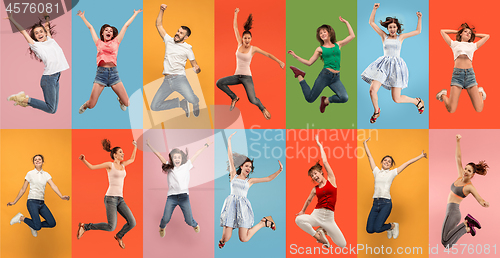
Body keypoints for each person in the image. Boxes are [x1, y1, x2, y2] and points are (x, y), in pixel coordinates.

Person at [216, 8, 285, 120]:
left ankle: (263, 108)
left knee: (252, 99)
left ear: (251, 39)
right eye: (245, 38)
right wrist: (235, 14)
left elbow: (267, 54)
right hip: (236, 76)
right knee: (219, 83)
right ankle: (234, 97)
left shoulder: (253, 49)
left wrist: (279, 61)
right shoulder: (239, 44)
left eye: (249, 38)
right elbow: (235, 27)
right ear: (242, 39)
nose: (247, 40)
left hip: (247, 77)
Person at [361, 3, 424, 123]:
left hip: (396, 68)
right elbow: (371, 23)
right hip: (383, 66)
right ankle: (376, 111)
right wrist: (374, 9)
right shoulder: (383, 36)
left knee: (397, 99)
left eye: (394, 27)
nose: (392, 29)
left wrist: (419, 18)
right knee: (372, 90)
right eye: (390, 27)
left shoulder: (401, 38)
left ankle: (417, 101)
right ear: (387, 28)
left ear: (397, 28)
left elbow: (418, 31)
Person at [218, 131, 283, 248]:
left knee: (244, 238)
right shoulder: (233, 175)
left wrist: (279, 171)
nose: (249, 168)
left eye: (250, 167)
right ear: (241, 166)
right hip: (231, 206)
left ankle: (264, 222)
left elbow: (268, 178)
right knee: (226, 238)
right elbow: (230, 157)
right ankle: (222, 241)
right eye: (247, 165)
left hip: (242, 208)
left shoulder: (250, 181)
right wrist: (229, 140)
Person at [76, 9, 142, 114]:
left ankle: (120, 100)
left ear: (112, 35)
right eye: (106, 30)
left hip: (114, 74)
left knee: (127, 103)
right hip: (101, 74)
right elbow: (90, 27)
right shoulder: (98, 42)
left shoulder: (116, 41)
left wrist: (135, 14)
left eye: (111, 31)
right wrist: (82, 17)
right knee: (92, 105)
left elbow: (125, 26)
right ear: (102, 33)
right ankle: (85, 105)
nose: (109, 32)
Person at [76, 139, 137, 249]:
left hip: (120, 199)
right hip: (110, 199)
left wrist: (135, 146)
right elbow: (92, 167)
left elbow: (132, 159)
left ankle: (119, 236)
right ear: (115, 155)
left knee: (132, 222)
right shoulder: (110, 165)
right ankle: (85, 226)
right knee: (111, 227)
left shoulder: (123, 165)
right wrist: (84, 160)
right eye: (120, 152)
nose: (123, 154)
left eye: (123, 152)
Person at [288, 16, 355, 113]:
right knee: (310, 98)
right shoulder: (320, 49)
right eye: (320, 33)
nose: (322, 34)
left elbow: (352, 36)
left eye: (324, 32)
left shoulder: (338, 44)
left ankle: (325, 100)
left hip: (336, 78)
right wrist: (296, 56)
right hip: (325, 76)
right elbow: (309, 62)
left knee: (344, 97)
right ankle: (299, 75)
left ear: (329, 33)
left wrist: (346, 22)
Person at [363, 137, 427, 239]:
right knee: (370, 230)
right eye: (385, 160)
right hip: (375, 203)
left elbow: (407, 163)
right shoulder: (376, 171)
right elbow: (369, 156)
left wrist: (420, 156)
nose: (387, 162)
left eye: (389, 162)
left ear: (391, 165)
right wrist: (364, 143)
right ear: (382, 162)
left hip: (386, 204)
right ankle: (390, 227)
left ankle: (393, 226)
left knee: (378, 228)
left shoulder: (392, 173)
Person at [146, 138, 212, 237]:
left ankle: (194, 225)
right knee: (166, 218)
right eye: (174, 157)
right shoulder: (169, 167)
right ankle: (162, 227)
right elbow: (159, 155)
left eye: (178, 157)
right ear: (172, 159)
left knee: (189, 220)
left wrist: (206, 145)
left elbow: (196, 154)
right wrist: (149, 145)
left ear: (182, 159)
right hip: (172, 197)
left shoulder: (186, 165)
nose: (177, 159)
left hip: (184, 197)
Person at [6, 13, 69, 113]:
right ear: (34, 36)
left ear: (45, 33)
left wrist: (47, 17)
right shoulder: (36, 46)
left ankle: (23, 101)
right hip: (48, 79)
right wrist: (12, 19)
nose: (39, 34)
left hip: (56, 77)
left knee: (53, 110)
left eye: (41, 31)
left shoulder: (50, 40)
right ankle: (23, 99)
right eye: (36, 33)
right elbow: (23, 32)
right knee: (50, 108)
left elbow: (47, 27)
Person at [150, 4, 202, 118]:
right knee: (154, 106)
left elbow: (194, 64)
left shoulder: (188, 48)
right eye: (178, 31)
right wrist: (161, 10)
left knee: (192, 98)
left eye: (181, 33)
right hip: (167, 81)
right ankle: (180, 103)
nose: (177, 34)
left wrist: (197, 69)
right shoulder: (168, 40)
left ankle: (195, 102)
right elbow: (158, 24)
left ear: (186, 37)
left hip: (180, 79)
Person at [295, 135, 347, 248]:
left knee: (342, 244)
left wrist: (320, 145)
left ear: (321, 172)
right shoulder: (315, 189)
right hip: (316, 215)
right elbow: (308, 200)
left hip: (329, 218)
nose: (314, 176)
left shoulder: (331, 181)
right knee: (298, 220)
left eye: (315, 173)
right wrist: (302, 211)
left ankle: (324, 231)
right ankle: (319, 237)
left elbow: (325, 161)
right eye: (312, 176)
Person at [441, 134, 489, 248]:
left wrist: (484, 203)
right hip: (450, 211)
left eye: (469, 171)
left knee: (445, 242)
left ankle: (466, 223)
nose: (465, 171)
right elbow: (458, 158)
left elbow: (479, 198)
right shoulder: (459, 176)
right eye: (466, 168)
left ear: (472, 174)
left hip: (453, 212)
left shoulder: (469, 186)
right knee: (447, 244)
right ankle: (467, 227)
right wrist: (458, 141)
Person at [8, 155, 70, 237]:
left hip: (41, 203)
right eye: (35, 160)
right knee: (37, 227)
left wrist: (61, 196)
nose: (37, 161)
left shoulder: (46, 174)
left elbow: (53, 186)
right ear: (33, 163)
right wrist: (14, 202)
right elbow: (23, 189)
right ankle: (21, 218)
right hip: (32, 202)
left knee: (52, 223)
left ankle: (32, 225)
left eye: (39, 159)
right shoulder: (30, 173)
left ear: (42, 162)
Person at [436, 24, 489, 113]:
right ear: (461, 33)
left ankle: (480, 92)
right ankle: (442, 95)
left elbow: (487, 36)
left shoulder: (473, 45)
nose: (468, 34)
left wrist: (473, 34)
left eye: (469, 33)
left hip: (470, 75)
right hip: (458, 75)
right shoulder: (454, 44)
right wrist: (458, 31)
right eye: (465, 31)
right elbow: (442, 31)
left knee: (479, 109)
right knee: (451, 109)